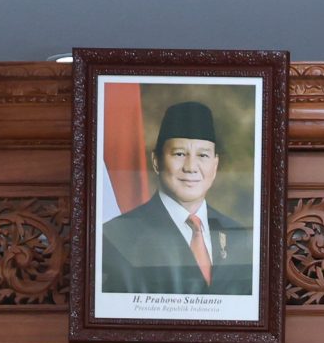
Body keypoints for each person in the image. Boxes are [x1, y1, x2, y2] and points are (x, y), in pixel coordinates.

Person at [99, 98, 254, 298]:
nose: (190, 167)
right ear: (156, 161)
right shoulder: (117, 235)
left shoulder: (239, 236)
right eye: (180, 154)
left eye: (203, 156)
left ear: (215, 166)